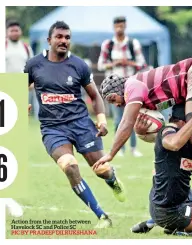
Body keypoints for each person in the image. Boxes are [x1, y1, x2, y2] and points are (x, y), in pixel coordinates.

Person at [25, 21, 125, 228]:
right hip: (52, 128)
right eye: (59, 37)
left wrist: (102, 120)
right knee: (69, 166)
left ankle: (112, 180)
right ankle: (102, 216)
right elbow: (15, 91)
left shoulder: (79, 65)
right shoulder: (34, 64)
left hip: (81, 124)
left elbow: (95, 96)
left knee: (102, 170)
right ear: (49, 40)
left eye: (67, 37)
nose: (64, 41)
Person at [93, 57, 192, 169]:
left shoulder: (132, 85)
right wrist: (142, 132)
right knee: (191, 136)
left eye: (113, 99)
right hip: (188, 92)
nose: (116, 105)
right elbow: (166, 132)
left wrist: (111, 154)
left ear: (120, 89)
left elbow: (126, 122)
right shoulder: (144, 99)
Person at [138, 104, 192, 234]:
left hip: (176, 196)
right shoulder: (170, 133)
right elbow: (173, 143)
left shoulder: (189, 136)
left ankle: (158, 222)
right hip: (169, 210)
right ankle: (174, 227)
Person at [97, 16, 147, 157]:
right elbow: (101, 64)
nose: (119, 28)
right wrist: (115, 63)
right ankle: (121, 149)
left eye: (122, 26)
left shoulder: (133, 43)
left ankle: (133, 148)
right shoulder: (108, 44)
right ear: (114, 27)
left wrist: (128, 63)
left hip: (130, 85)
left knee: (131, 117)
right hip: (113, 89)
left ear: (125, 26)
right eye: (117, 26)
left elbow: (142, 64)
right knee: (119, 119)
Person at [5, 20, 34, 218]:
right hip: (5, 90)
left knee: (12, 143)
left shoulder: (25, 47)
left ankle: (8, 194)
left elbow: (31, 69)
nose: (15, 31)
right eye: (11, 29)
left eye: (17, 28)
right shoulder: (3, 46)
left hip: (20, 92)